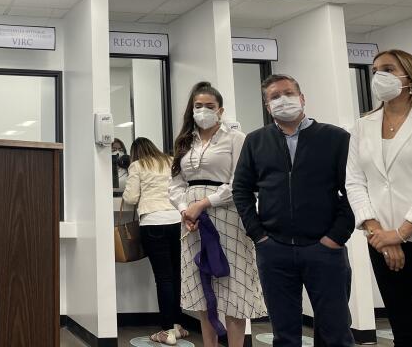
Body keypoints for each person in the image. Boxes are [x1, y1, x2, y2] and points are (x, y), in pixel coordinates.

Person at [232, 74, 354, 347]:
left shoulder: (336, 138)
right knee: (284, 335)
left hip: (325, 250)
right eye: (274, 97)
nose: (282, 100)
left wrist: (336, 237)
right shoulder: (255, 141)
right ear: (267, 106)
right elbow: (241, 189)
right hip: (274, 250)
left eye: (288, 93)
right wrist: (258, 235)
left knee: (335, 332)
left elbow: (353, 190)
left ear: (302, 98)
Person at [346, 50, 412, 347]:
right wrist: (378, 233)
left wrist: (401, 233)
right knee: (403, 328)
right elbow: (355, 181)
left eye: (387, 68)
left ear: (409, 75)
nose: (378, 76)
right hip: (380, 240)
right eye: (374, 71)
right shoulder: (363, 125)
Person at [169, 82, 266, 347]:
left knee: (233, 287)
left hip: (227, 216)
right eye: (198, 106)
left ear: (220, 110)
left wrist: (204, 203)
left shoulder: (236, 138)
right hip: (191, 222)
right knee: (202, 288)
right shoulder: (184, 141)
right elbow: (175, 184)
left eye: (209, 106)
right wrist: (184, 210)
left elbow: (240, 182)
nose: (203, 111)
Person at [122, 137, 189, 345]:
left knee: (163, 278)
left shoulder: (137, 165)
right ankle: (178, 325)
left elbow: (131, 197)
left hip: (153, 222)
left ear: (135, 153)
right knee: (177, 275)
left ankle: (166, 331)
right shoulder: (170, 161)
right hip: (177, 220)